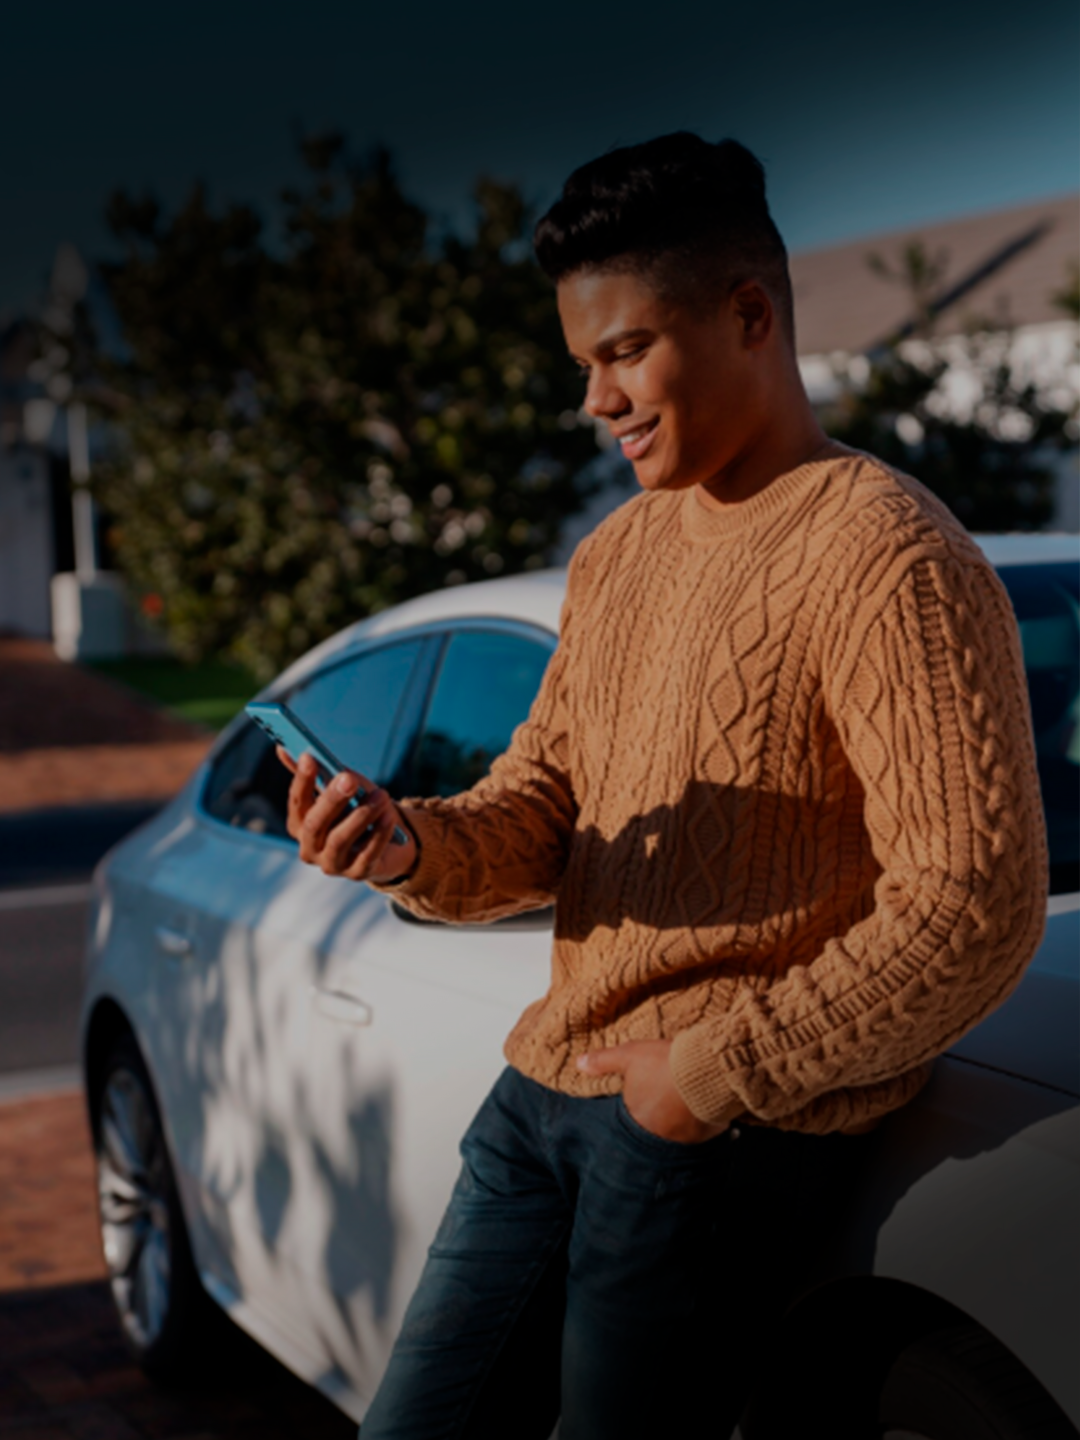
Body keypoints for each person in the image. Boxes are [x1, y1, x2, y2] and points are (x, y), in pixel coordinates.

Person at [278, 133, 1048, 1439]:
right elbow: (540, 812)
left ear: (750, 315)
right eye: (584, 365)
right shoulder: (617, 555)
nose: (597, 401)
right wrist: (407, 845)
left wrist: (713, 1070)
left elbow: (974, 902)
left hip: (702, 1140)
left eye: (624, 352)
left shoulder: (892, 559)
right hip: (539, 1097)